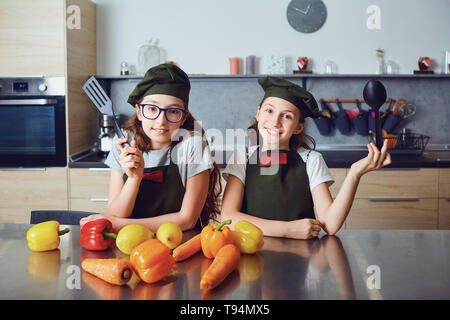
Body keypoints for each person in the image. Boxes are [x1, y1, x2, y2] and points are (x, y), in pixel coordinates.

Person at [221, 76, 391, 239]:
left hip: (299, 259)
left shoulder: (311, 160)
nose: (275, 121)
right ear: (258, 114)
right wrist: (287, 229)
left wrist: (354, 174)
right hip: (249, 251)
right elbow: (228, 219)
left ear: (298, 127)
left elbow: (330, 225)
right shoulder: (242, 157)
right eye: (269, 110)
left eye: (287, 116)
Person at [80, 63, 221, 232]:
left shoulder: (192, 145)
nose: (161, 121)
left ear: (183, 117)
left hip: (181, 244)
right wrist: (134, 179)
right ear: (139, 111)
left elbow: (187, 220)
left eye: (173, 111)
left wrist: (117, 224)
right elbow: (117, 213)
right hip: (131, 242)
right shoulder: (124, 143)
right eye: (152, 109)